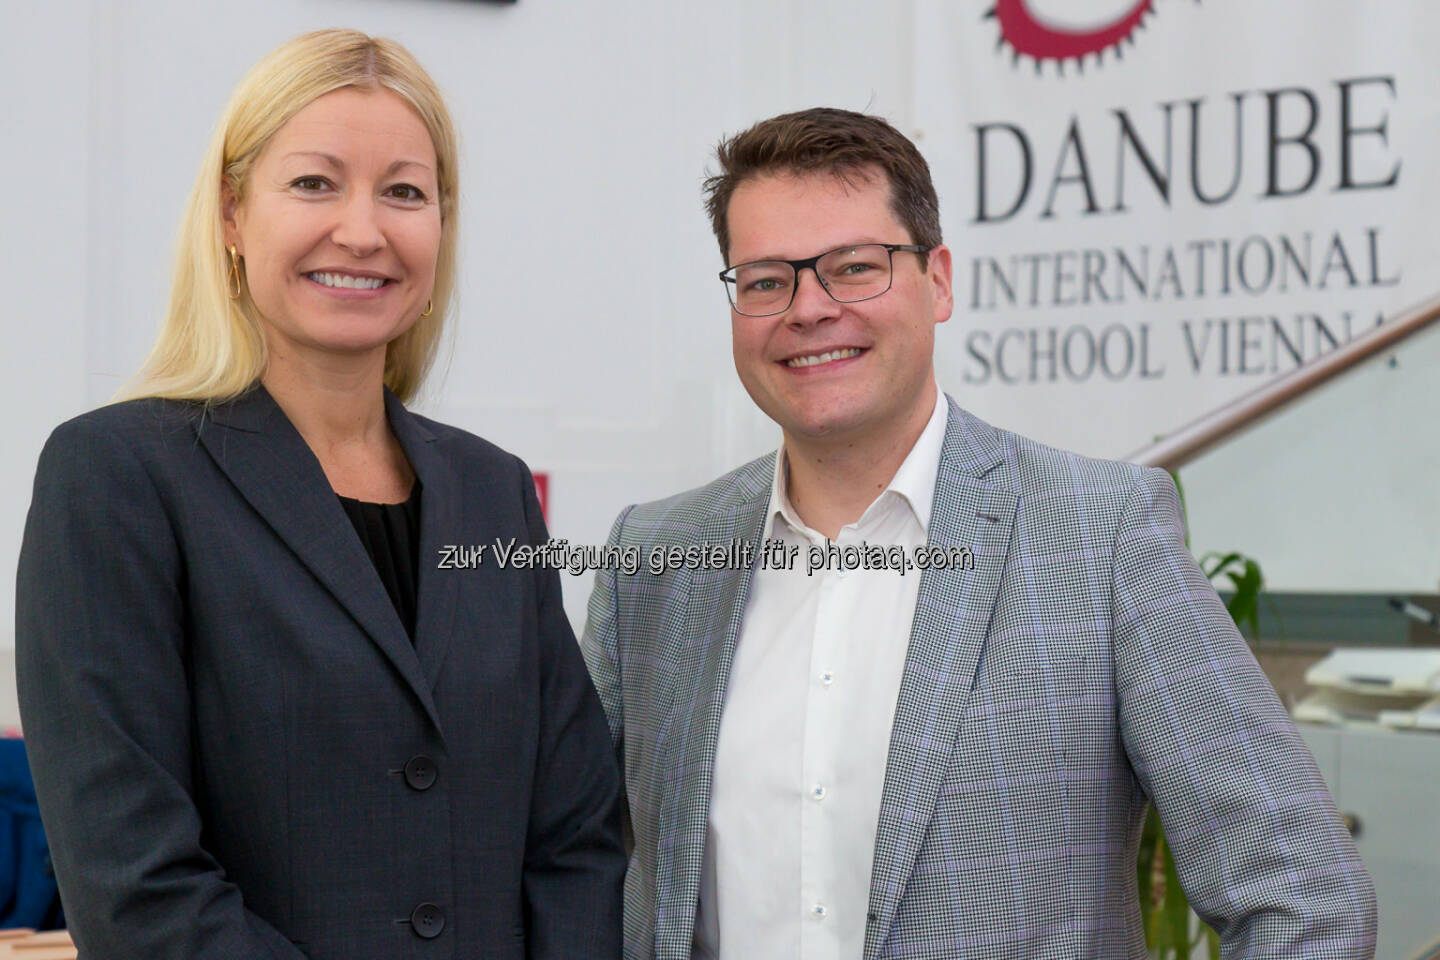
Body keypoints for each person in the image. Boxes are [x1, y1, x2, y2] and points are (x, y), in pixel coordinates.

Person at [580, 108, 1376, 959]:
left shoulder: (1099, 535)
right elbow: (558, 865)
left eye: (854, 267)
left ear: (940, 281)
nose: (809, 309)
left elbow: (1306, 900)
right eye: (767, 279)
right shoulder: (654, 560)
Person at [16, 29, 623, 959]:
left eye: (405, 192)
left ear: (441, 227)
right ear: (230, 213)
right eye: (314, 183)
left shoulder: (493, 493)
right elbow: (135, 884)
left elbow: (576, 836)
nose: (363, 229)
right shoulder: (116, 475)